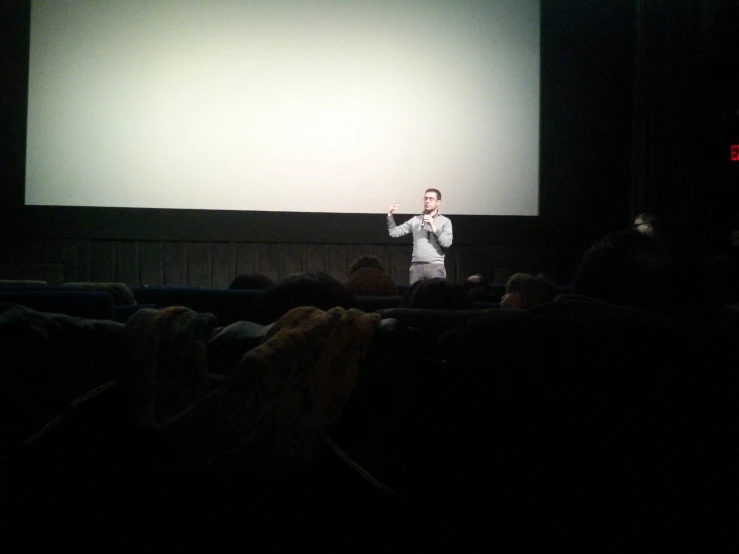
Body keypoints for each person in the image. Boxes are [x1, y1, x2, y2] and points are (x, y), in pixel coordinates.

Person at [387, 189, 453, 285]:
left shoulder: (445, 221)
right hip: (416, 267)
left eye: (431, 199)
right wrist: (390, 215)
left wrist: (433, 226)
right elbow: (394, 232)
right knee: (415, 297)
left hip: (435, 266)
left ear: (438, 202)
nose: (427, 201)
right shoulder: (415, 220)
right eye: (425, 198)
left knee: (436, 298)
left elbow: (447, 243)